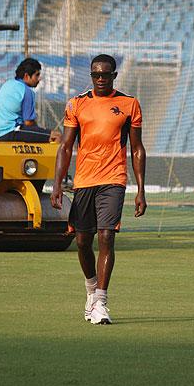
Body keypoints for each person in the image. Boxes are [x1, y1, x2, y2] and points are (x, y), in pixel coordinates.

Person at [51, 54, 147, 325]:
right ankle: (91, 289)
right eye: (96, 75)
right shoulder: (77, 103)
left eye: (106, 75)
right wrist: (57, 185)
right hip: (84, 181)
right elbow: (66, 146)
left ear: (115, 75)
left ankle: (101, 301)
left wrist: (140, 190)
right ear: (91, 76)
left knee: (106, 237)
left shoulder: (129, 104)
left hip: (114, 180)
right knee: (82, 241)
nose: (101, 79)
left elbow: (137, 149)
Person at [0, 58, 60, 143]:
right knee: (57, 136)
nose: (39, 79)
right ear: (26, 76)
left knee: (42, 134)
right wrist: (41, 131)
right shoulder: (26, 91)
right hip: (10, 132)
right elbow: (28, 123)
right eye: (37, 75)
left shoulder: (8, 84)